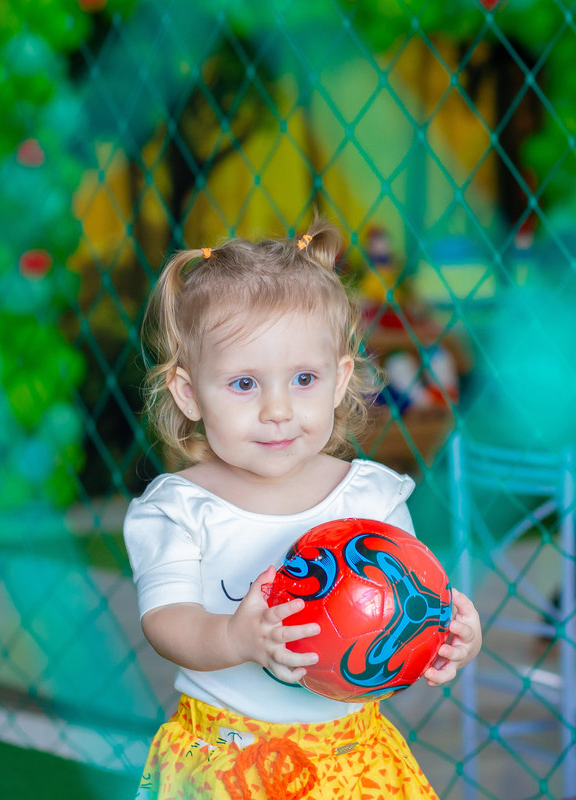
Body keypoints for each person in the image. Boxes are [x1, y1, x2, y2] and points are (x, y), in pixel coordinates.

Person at [124, 218, 482, 799]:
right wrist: (235, 639)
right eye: (244, 384)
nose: (278, 410)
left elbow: (406, 603)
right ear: (190, 394)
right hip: (229, 763)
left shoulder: (374, 496)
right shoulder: (181, 508)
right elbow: (166, 621)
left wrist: (445, 637)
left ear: (342, 381)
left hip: (353, 758)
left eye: (304, 379)